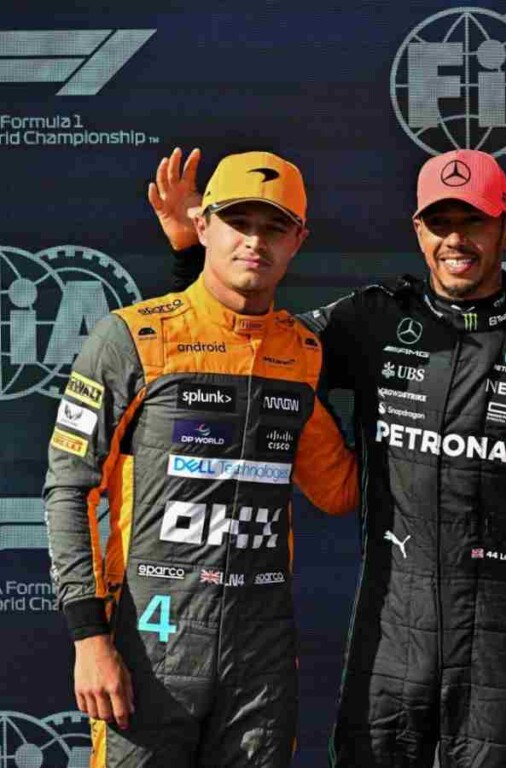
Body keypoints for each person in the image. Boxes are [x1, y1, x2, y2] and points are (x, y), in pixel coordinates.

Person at [148, 147, 506, 768]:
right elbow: (247, 351)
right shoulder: (374, 318)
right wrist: (190, 258)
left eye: (472, 221)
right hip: (389, 627)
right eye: (439, 223)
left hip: (501, 636)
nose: (456, 240)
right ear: (417, 231)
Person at [44, 151, 360, 768]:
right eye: (238, 222)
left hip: (262, 657)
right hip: (149, 644)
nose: (254, 242)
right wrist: (89, 638)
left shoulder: (303, 355)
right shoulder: (130, 337)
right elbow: (68, 490)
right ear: (204, 224)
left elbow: (339, 490)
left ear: (299, 239)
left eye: (274, 227)